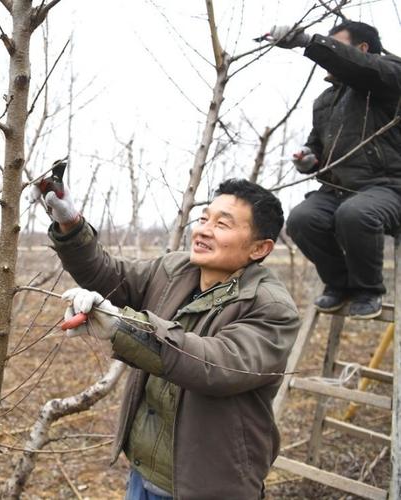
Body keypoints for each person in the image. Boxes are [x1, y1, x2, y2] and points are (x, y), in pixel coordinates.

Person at [30, 178, 300, 499]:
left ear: (260, 248)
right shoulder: (175, 269)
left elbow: (213, 364)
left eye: (222, 224)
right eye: (203, 219)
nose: (203, 230)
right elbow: (109, 277)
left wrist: (122, 327)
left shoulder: (272, 308)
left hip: (209, 487)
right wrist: (69, 221)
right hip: (143, 474)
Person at [269, 21, 401, 319]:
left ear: (362, 49)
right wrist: (309, 158)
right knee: (302, 219)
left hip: (388, 187)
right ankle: (340, 285)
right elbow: (317, 146)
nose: (328, 54)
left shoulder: (387, 76)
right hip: (337, 188)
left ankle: (369, 290)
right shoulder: (325, 101)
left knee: (355, 214)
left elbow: (365, 69)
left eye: (335, 45)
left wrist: (308, 42)